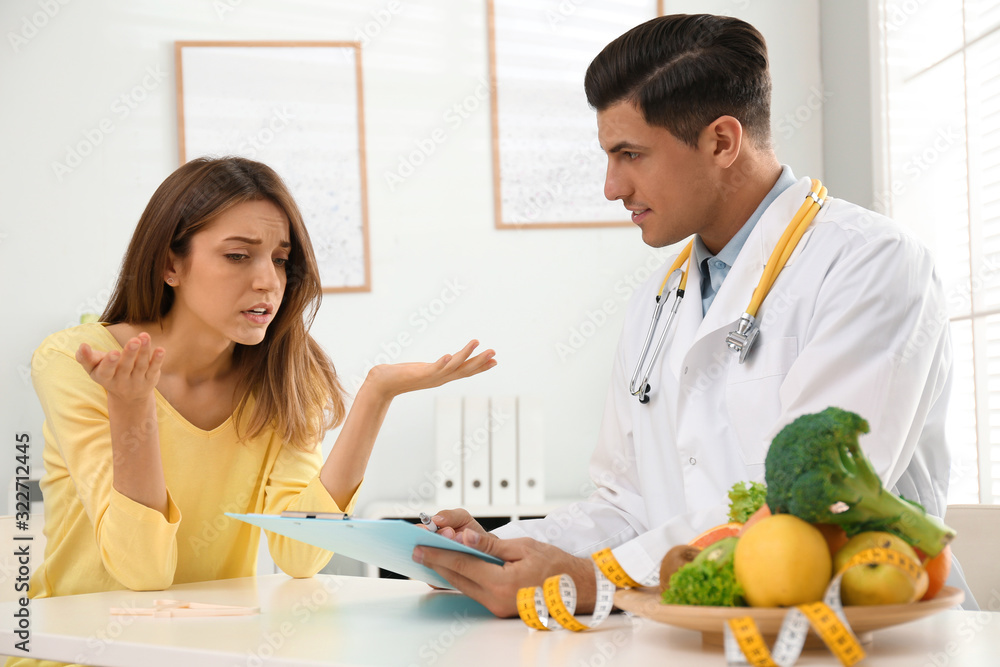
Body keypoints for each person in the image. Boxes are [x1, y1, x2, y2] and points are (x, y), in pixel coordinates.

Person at [414, 13, 970, 616]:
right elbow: (629, 504)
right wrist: (505, 549)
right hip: (694, 633)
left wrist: (592, 580)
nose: (611, 187)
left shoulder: (872, 264)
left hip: (850, 635)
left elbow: (814, 504)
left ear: (722, 142)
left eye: (630, 154)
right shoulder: (659, 299)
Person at [11, 157, 495, 667]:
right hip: (71, 654)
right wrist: (132, 410)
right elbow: (142, 571)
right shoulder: (78, 364)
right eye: (239, 256)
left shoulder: (281, 376)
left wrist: (376, 396)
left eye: (281, 259)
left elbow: (300, 557)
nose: (268, 281)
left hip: (210, 654)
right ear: (169, 265)